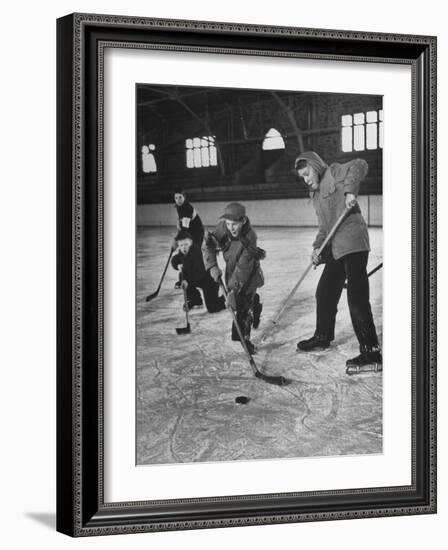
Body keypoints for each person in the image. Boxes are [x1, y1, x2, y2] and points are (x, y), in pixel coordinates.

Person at [294, 151, 382, 373]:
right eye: (302, 177)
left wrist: (350, 192)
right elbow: (325, 229)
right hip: (335, 248)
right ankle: (323, 335)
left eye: (307, 174)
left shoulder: (333, 173)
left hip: (353, 241)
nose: (306, 180)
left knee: (356, 297)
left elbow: (360, 165)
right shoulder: (315, 196)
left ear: (316, 165)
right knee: (324, 292)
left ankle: (371, 352)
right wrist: (317, 249)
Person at [202, 202, 263, 355]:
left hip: (248, 275)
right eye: (228, 223)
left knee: (243, 309)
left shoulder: (250, 238)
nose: (231, 228)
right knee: (239, 304)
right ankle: (255, 303)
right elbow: (207, 245)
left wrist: (232, 292)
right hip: (231, 269)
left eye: (234, 224)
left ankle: (245, 339)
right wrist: (212, 267)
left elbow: (243, 270)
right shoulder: (223, 227)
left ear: (243, 221)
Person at [171, 229, 225, 313]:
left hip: (209, 281)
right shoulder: (182, 253)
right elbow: (175, 259)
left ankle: (226, 299)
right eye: (181, 245)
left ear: (191, 242)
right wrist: (177, 266)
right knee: (181, 276)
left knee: (213, 308)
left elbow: (196, 274)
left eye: (186, 244)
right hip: (197, 279)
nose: (183, 247)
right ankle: (195, 300)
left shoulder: (197, 252)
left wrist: (185, 279)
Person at [173, 190, 205, 289]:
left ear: (184, 197)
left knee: (192, 254)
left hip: (196, 234)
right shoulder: (179, 207)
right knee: (185, 254)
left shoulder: (187, 208)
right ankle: (184, 278)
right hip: (190, 233)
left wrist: (177, 240)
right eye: (176, 198)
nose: (178, 200)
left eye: (180, 197)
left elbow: (185, 228)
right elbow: (182, 226)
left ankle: (195, 279)